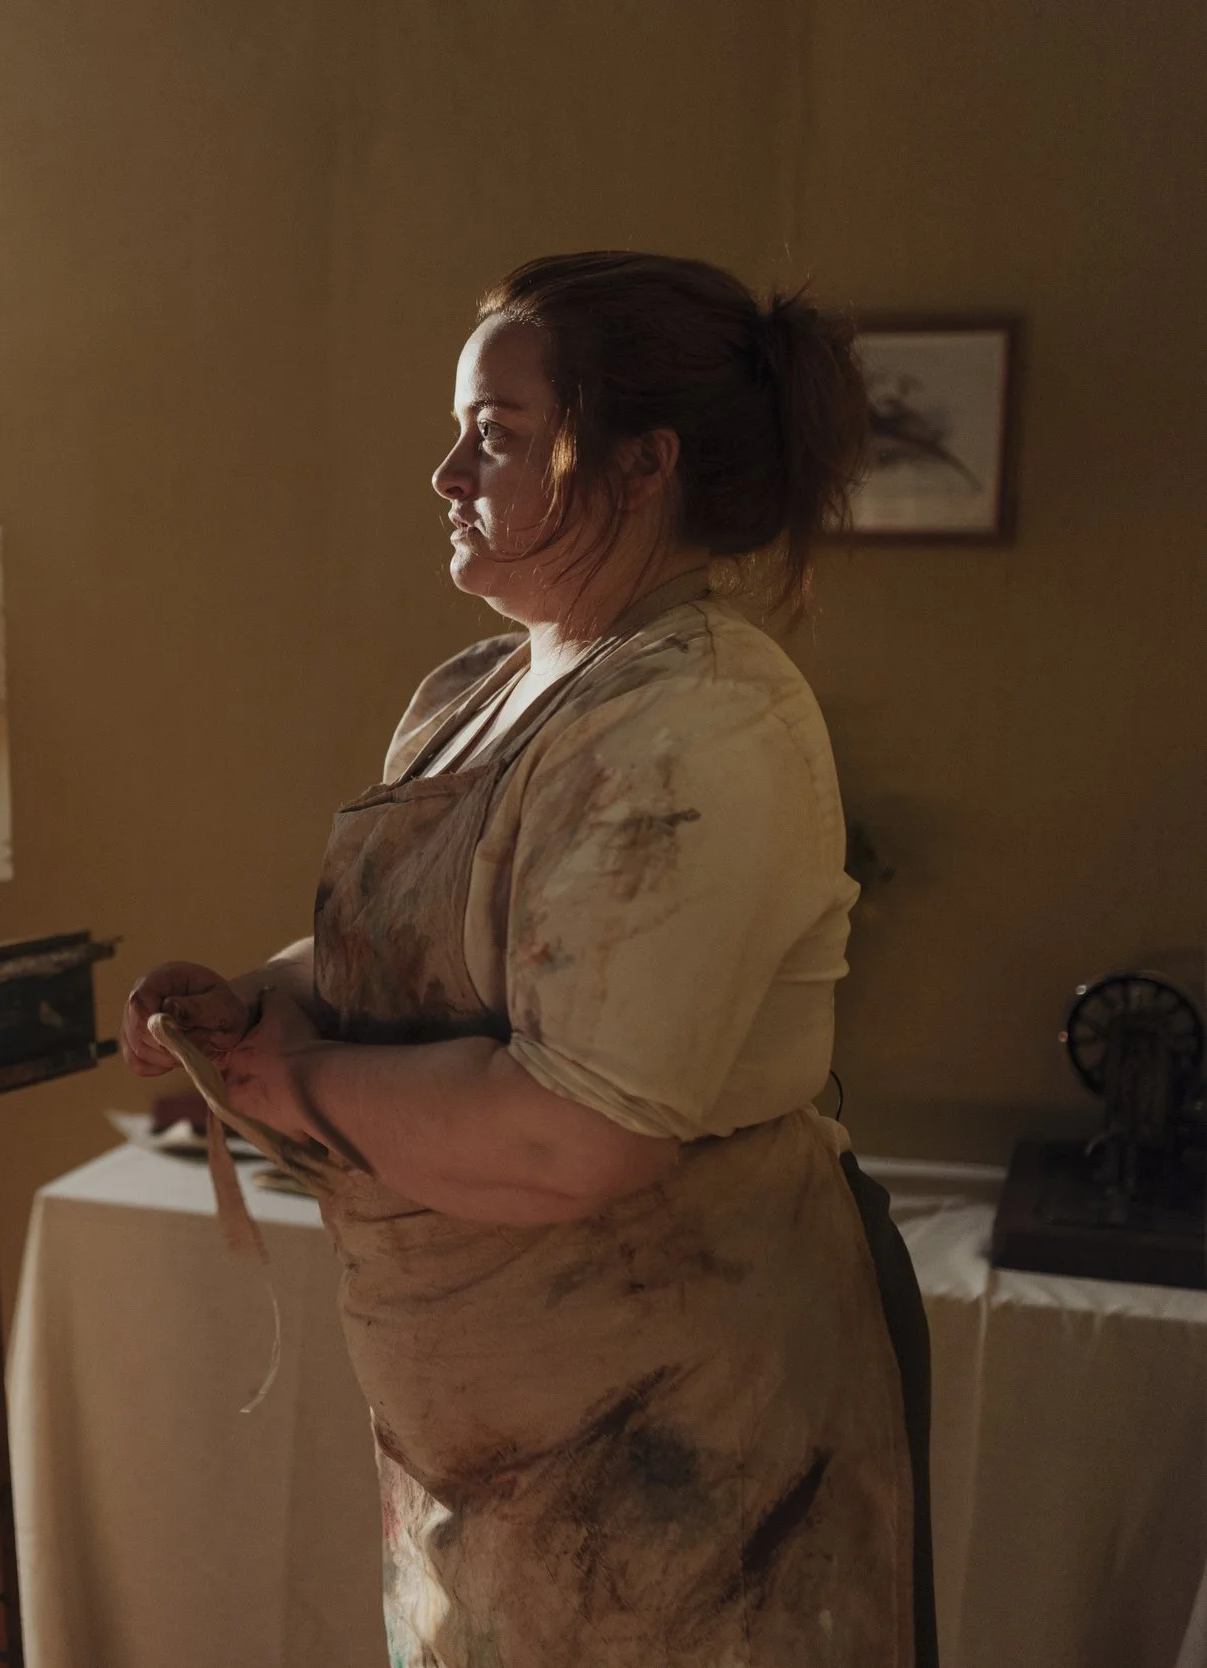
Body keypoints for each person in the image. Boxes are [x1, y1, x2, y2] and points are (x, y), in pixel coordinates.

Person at [123, 252, 935, 1668]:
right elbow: (416, 960)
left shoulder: (702, 719)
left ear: (640, 467)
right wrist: (269, 998)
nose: (445, 472)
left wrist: (290, 1076)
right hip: (503, 1440)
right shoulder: (481, 691)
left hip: (682, 1446)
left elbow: (578, 1137)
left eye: (492, 435)